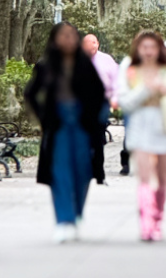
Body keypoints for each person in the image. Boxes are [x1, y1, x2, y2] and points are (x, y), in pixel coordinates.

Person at [24, 22, 108, 243]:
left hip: (82, 124)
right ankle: (64, 220)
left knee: (83, 170)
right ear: (54, 39)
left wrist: (95, 120)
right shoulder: (46, 65)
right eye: (63, 35)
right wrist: (44, 118)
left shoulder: (85, 64)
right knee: (60, 171)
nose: (68, 39)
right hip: (58, 124)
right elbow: (31, 93)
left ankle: (76, 214)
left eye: (71, 35)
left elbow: (99, 94)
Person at [118, 32, 166, 241]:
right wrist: (145, 89)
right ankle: (146, 224)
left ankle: (157, 219)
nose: (148, 52)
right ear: (138, 49)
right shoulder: (130, 70)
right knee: (144, 176)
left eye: (152, 47)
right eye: (144, 47)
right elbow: (125, 102)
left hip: (164, 125)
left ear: (159, 50)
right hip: (140, 126)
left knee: (162, 177)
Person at [82, 34, 126, 174]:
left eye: (94, 43)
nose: (92, 46)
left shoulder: (106, 60)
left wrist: (115, 98)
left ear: (98, 44)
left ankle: (97, 165)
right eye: (89, 43)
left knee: (98, 133)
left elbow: (116, 80)